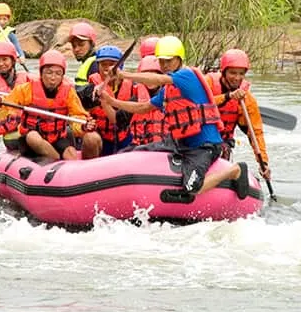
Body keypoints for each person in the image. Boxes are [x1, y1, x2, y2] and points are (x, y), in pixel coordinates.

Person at [103, 35, 248, 198]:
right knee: (138, 151)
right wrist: (111, 100)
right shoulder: (167, 90)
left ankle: (235, 171)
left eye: (169, 61)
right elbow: (143, 107)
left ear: (179, 59)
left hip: (204, 146)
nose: (165, 65)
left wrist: (123, 75)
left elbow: (159, 78)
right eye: (162, 61)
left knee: (192, 188)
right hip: (180, 143)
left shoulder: (187, 76)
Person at [0, 50, 101, 161]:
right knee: (33, 137)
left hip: (56, 137)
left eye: (58, 73)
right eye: (49, 73)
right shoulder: (25, 89)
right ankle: (56, 160)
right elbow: (7, 109)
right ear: (41, 73)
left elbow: (78, 116)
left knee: (71, 154)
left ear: (63, 76)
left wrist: (83, 126)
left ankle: (69, 169)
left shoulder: (68, 92)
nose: (53, 78)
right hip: (31, 139)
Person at [205, 49, 271, 181]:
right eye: (232, 73)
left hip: (222, 144)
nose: (237, 78)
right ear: (223, 72)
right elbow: (199, 106)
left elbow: (255, 133)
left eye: (241, 73)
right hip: (199, 139)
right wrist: (227, 96)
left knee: (222, 150)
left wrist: (263, 162)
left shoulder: (247, 100)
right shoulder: (208, 83)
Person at [87, 45, 144, 156]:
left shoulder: (133, 86)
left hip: (125, 137)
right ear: (98, 66)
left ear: (120, 66)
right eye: (103, 65)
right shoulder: (90, 87)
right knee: (90, 139)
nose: (108, 68)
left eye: (112, 64)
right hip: (102, 136)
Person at [0, 41, 30, 152]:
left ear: (13, 61)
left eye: (5, 59)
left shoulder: (27, 79)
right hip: (12, 138)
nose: (1, 64)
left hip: (30, 130)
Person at [126, 55, 166, 147]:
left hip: (165, 148)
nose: (150, 78)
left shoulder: (170, 97)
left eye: (153, 74)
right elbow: (117, 119)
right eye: (146, 75)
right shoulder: (135, 99)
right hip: (141, 148)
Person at [67, 22, 98, 86]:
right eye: (74, 46)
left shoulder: (96, 65)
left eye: (81, 44)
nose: (76, 49)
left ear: (92, 44)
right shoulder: (89, 63)